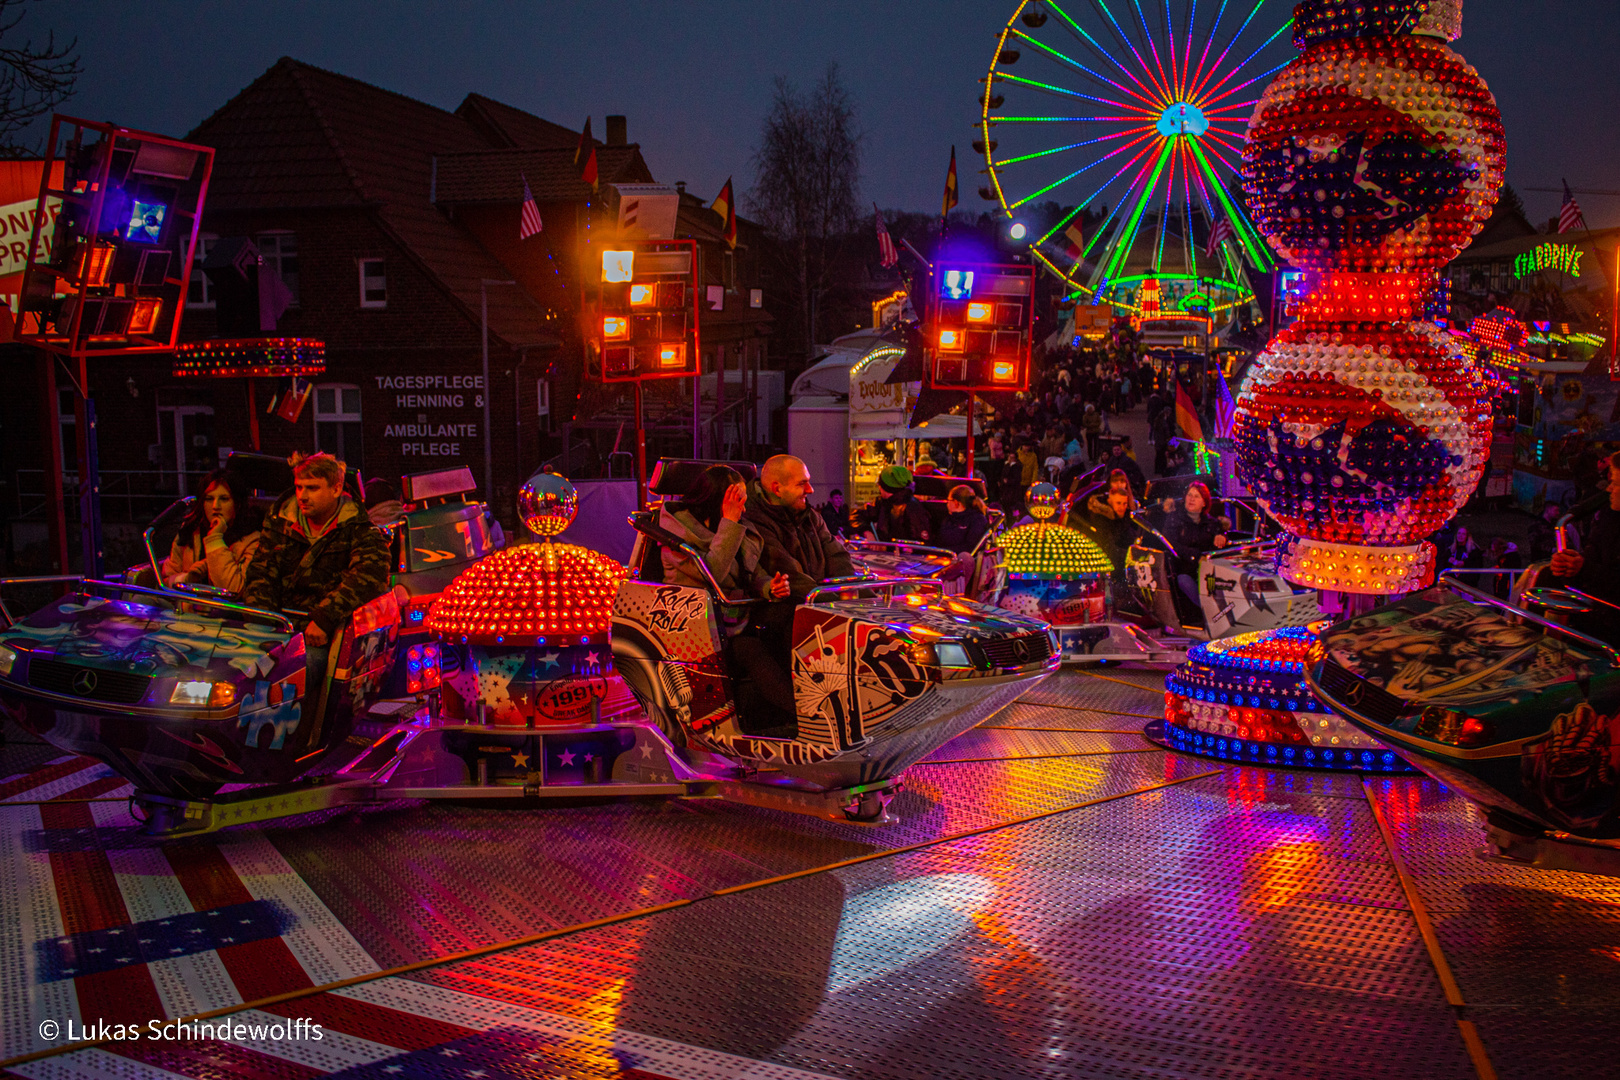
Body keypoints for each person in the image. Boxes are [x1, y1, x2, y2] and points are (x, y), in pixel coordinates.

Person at [242, 453, 390, 719]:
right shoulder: (280, 523)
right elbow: (260, 573)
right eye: (299, 487)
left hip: (323, 638)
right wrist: (261, 624)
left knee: (296, 674)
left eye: (312, 488)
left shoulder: (360, 530)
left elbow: (369, 576)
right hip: (275, 627)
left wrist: (323, 618)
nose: (302, 496)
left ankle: (293, 746)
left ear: (336, 489)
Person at [660, 465, 794, 719]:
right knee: (749, 649)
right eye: (737, 501)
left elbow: (752, 573)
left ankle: (804, 708)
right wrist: (729, 523)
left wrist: (770, 586)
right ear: (717, 500)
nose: (743, 509)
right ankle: (795, 715)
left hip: (734, 616)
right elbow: (713, 575)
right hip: (700, 627)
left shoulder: (732, 526)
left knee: (792, 614)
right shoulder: (677, 538)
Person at [743, 454, 855, 603]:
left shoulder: (809, 514)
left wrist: (853, 594)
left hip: (820, 601)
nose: (811, 490)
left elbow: (837, 555)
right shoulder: (754, 520)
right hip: (788, 609)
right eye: (802, 484)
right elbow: (789, 574)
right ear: (777, 489)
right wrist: (835, 605)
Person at [1549, 452, 1620, 632]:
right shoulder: (1608, 516)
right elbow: (1591, 555)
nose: (1609, 489)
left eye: (1616, 483)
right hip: (1594, 621)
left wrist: (1584, 567)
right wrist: (1569, 564)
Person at [161, 469, 262, 593]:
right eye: (209, 499)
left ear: (237, 503)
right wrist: (186, 579)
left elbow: (234, 589)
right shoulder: (190, 531)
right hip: (184, 607)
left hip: (225, 610)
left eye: (224, 499)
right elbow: (164, 582)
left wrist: (215, 539)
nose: (215, 506)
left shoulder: (253, 541)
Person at [1159, 481, 1230, 610]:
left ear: (1204, 503)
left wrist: (1222, 537)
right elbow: (1172, 545)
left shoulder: (1211, 523)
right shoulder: (1174, 519)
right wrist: (1196, 557)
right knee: (1184, 581)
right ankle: (1209, 611)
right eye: (1189, 495)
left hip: (1207, 570)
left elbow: (1221, 535)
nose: (1191, 499)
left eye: (1196, 496)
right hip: (1182, 569)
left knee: (1220, 582)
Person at [870, 465, 933, 545]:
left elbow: (920, 543)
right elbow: (858, 516)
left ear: (886, 488)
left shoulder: (912, 508)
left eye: (880, 485)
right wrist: (867, 532)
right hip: (887, 554)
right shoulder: (882, 502)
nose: (879, 488)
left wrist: (887, 547)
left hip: (902, 555)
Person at [938, 484, 991, 555]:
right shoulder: (949, 518)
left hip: (962, 559)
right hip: (944, 556)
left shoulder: (977, 520)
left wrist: (945, 551)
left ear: (956, 502)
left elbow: (970, 547)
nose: (947, 504)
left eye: (948, 500)